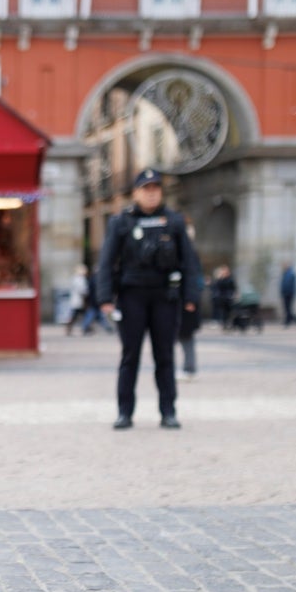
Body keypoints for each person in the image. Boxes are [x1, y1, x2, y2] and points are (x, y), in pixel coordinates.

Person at [96, 168, 201, 429]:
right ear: (136, 193)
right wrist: (105, 298)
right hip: (132, 297)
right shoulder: (121, 222)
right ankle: (124, 412)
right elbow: (107, 262)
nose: (152, 194)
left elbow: (189, 262)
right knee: (129, 356)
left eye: (156, 189)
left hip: (164, 296)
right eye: (146, 189)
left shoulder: (174, 221)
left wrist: (191, 296)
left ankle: (168, 411)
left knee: (164, 356)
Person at [65, 263, 90, 336]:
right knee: (83, 315)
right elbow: (82, 290)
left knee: (75, 315)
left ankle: (84, 328)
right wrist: (86, 295)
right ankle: (85, 328)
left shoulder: (74, 278)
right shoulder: (80, 279)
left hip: (75, 300)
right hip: (79, 300)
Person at [280, 262, 296, 326]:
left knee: (288, 308)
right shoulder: (285, 273)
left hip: (289, 294)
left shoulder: (291, 274)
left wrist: (292, 293)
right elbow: (282, 284)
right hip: (285, 293)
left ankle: (290, 320)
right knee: (287, 308)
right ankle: (291, 319)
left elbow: (292, 285)